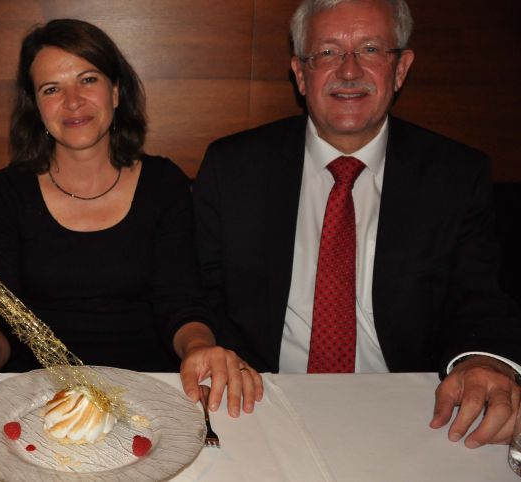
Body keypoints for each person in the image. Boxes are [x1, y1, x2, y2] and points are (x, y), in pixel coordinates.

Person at [193, 0, 521, 448]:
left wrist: (484, 361)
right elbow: (198, 291)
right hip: (261, 402)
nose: (349, 71)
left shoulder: (455, 175)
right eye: (327, 53)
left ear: (401, 68)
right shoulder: (233, 167)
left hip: (412, 410)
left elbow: (479, 298)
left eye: (370, 50)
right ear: (300, 72)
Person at [0, 19, 261, 417]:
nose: (72, 101)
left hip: (148, 395)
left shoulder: (163, 184)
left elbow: (182, 302)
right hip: (34, 401)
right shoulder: (8, 192)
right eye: (52, 89)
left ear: (115, 92)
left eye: (87, 80)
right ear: (36, 107)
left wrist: (202, 349)